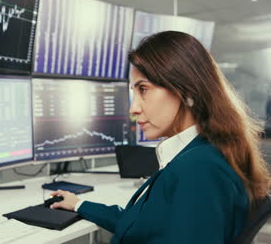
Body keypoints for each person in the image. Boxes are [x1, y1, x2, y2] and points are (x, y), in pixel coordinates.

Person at [50, 31, 270, 243]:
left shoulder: (197, 169)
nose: (133, 108)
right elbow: (141, 225)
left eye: (143, 89)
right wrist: (80, 205)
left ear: (186, 91)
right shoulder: (201, 153)